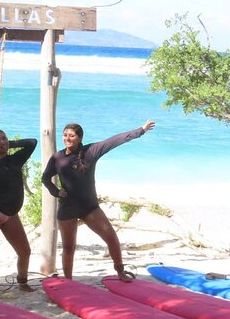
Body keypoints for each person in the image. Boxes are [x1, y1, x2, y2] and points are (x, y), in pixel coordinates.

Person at [41, 120, 156, 281]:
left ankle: (120, 272)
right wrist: (56, 192)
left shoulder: (91, 151)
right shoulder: (57, 158)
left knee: (111, 237)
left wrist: (141, 130)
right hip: (67, 208)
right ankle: (68, 281)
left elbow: (114, 140)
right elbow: (45, 178)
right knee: (68, 247)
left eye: (72, 136)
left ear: (80, 138)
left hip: (89, 207)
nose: (67, 138)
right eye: (65, 135)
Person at [0, 129, 37, 295]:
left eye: (4, 139)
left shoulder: (16, 159)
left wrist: (11, 144)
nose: (2, 142)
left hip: (11, 213)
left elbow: (32, 142)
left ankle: (23, 282)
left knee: (24, 251)